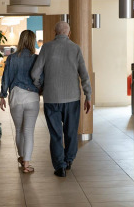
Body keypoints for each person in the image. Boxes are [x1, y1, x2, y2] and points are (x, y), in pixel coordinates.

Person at [31, 21, 92, 177]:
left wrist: (40, 86)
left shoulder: (46, 47)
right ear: (69, 33)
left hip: (51, 98)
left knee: (56, 134)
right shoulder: (75, 48)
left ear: (54, 32)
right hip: (72, 98)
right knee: (71, 132)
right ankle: (69, 160)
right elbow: (84, 75)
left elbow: (34, 73)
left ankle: (59, 167)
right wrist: (88, 96)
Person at [0, 30, 40, 173]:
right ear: (32, 41)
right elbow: (40, 78)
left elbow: (6, 77)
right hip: (32, 98)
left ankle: (22, 157)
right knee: (28, 131)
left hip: (16, 96)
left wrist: (2, 96)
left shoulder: (12, 58)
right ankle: (27, 164)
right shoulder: (36, 58)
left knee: (19, 130)